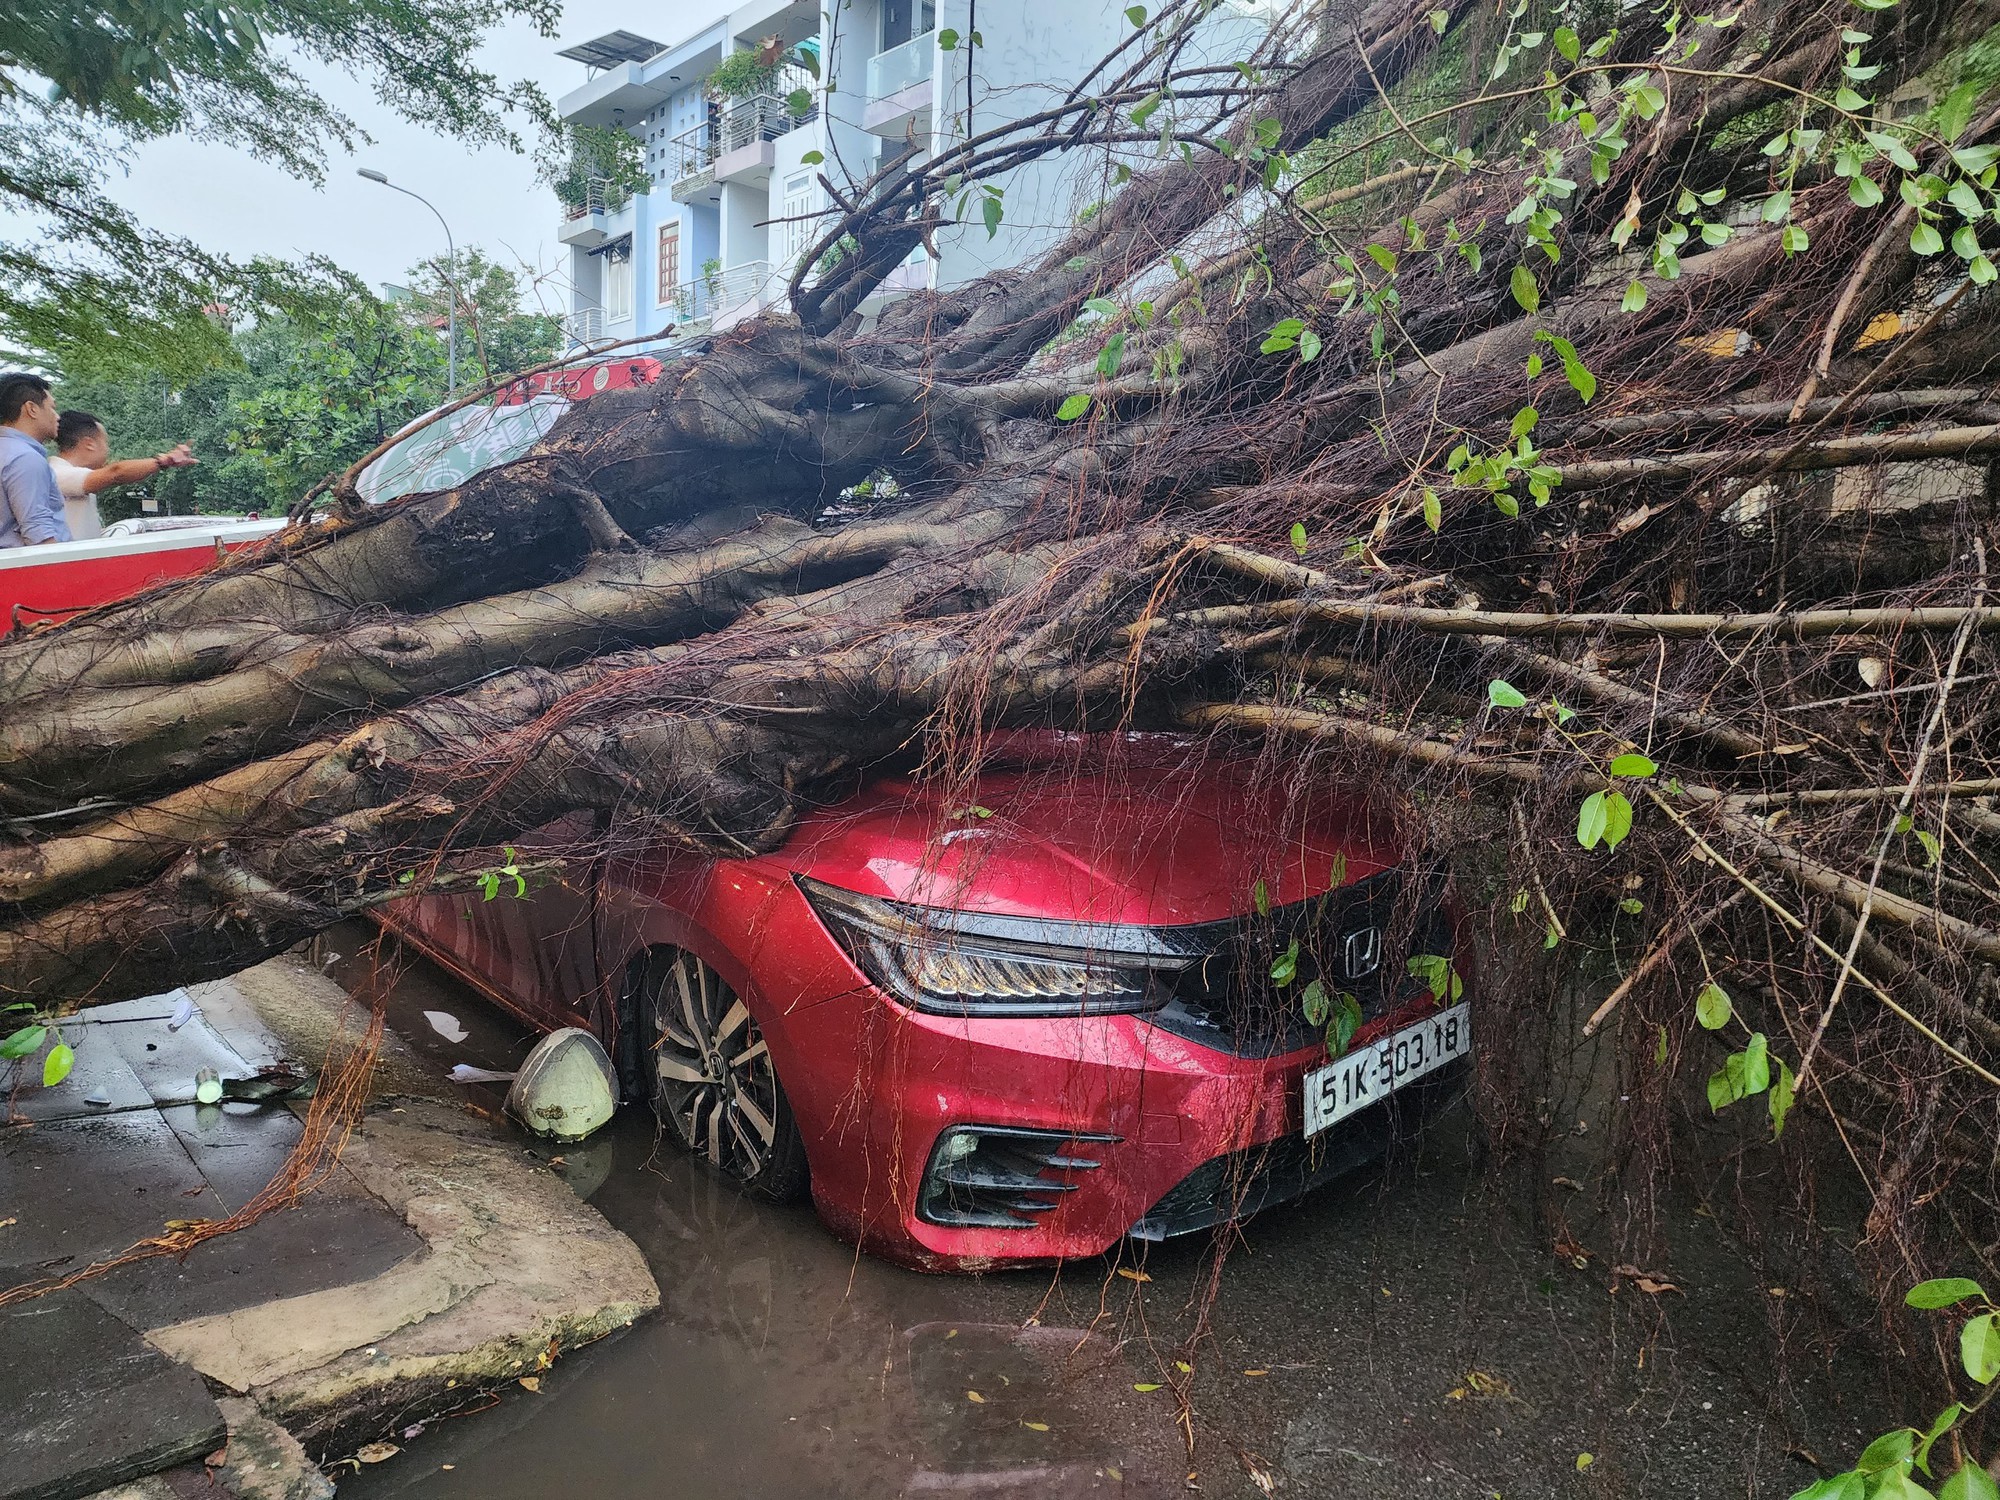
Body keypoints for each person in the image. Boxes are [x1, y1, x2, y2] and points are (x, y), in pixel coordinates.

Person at [51, 411, 196, 541]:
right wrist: (164, 461)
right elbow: (116, 473)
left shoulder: (75, 477)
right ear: (89, 444)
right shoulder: (57, 473)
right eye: (105, 442)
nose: (108, 449)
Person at [0, 373, 68, 547]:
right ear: (31, 409)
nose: (57, 416)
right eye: (52, 407)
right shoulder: (24, 458)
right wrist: (62, 572)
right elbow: (38, 534)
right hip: (32, 570)